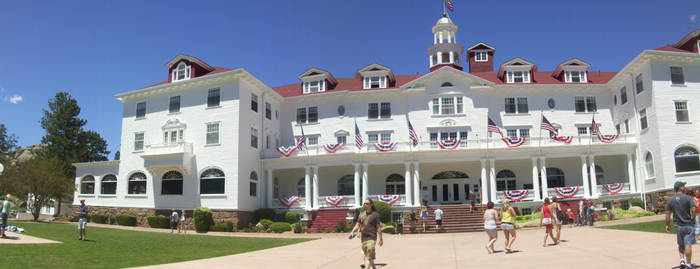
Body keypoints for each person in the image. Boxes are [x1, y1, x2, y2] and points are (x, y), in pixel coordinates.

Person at [666, 181, 697, 269]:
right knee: (688, 244)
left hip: (678, 225)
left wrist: (667, 225)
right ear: (680, 188)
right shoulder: (688, 198)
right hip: (688, 224)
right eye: (683, 186)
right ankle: (688, 263)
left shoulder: (671, 200)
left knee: (680, 243)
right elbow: (694, 209)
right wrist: (693, 219)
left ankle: (682, 259)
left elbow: (667, 213)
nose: (684, 187)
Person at [349, 199, 383, 269]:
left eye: (367, 203)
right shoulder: (361, 214)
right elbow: (358, 224)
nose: (365, 205)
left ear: (371, 205)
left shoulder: (375, 215)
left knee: (370, 251)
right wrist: (352, 232)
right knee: (368, 255)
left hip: (372, 237)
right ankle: (373, 267)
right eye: (364, 203)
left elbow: (378, 227)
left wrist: (381, 239)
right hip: (364, 238)